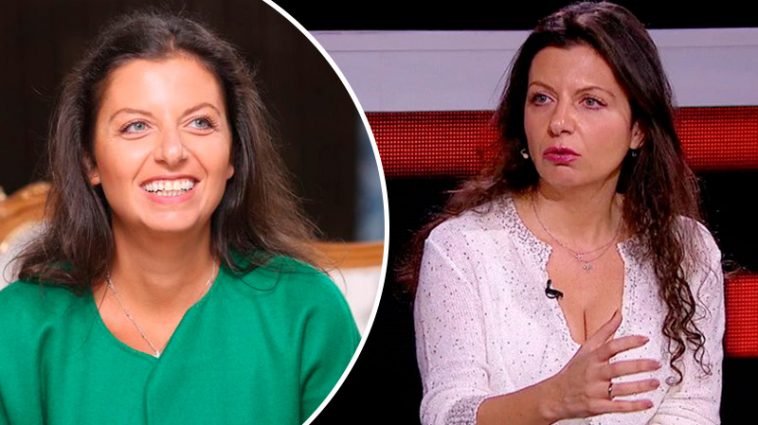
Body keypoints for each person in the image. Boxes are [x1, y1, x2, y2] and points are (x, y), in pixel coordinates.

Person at [0, 12, 360, 424]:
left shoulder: (308, 313)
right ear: (90, 161)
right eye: (136, 126)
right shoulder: (17, 328)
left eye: (200, 123)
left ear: (234, 154)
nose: (172, 152)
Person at [405, 2, 724, 424]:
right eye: (541, 99)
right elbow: (446, 414)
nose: (559, 122)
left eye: (590, 101)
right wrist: (552, 400)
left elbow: (692, 409)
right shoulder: (463, 248)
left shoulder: (687, 249)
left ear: (638, 129)